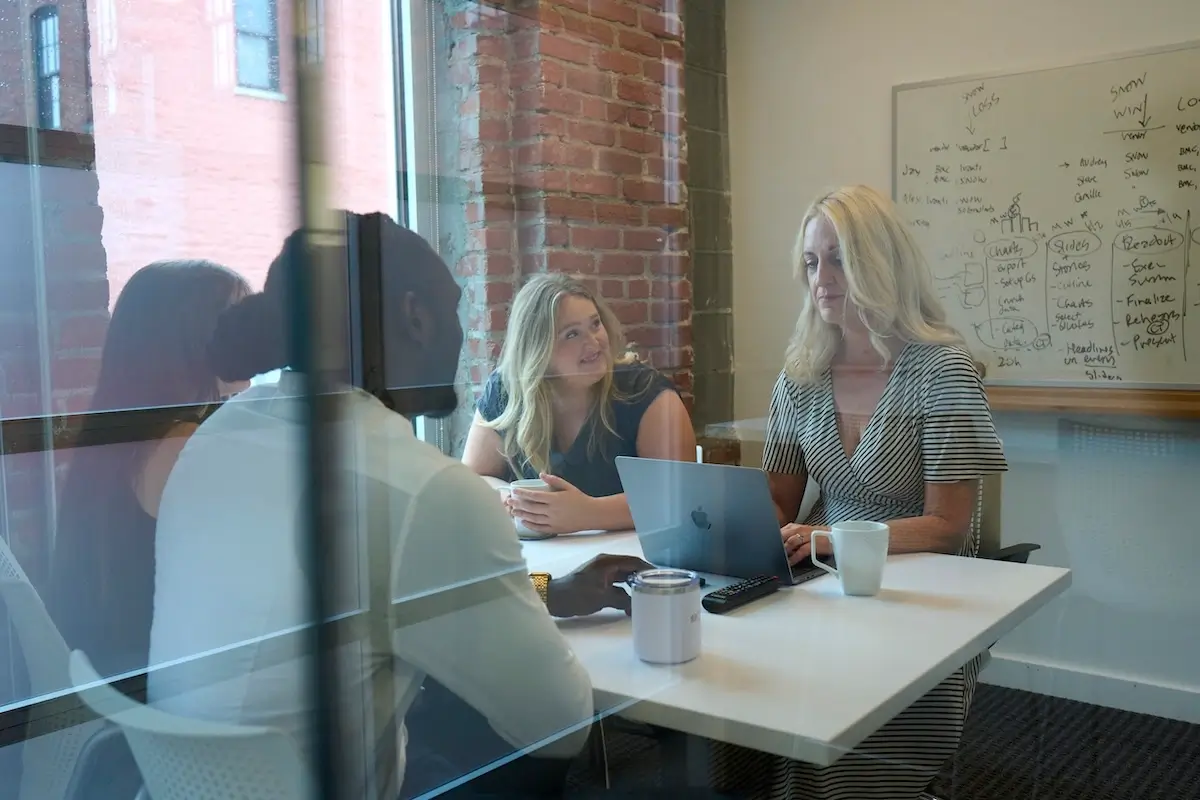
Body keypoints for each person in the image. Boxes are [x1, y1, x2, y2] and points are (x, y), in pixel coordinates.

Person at [146, 213, 652, 800]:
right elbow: (559, 726)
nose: (463, 334)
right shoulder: (415, 487)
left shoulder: (221, 436)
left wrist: (544, 591)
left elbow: (366, 597)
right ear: (416, 317)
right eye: (456, 308)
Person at [710, 185, 1008, 800]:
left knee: (834, 762)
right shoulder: (802, 376)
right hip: (820, 585)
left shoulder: (941, 370)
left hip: (920, 591)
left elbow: (946, 526)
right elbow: (778, 501)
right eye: (813, 262)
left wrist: (826, 538)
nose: (822, 277)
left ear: (881, 263)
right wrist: (748, 529)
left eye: (840, 258)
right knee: (730, 699)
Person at [50, 260, 251, 679]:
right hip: (161, 682)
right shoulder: (183, 443)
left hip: (107, 666)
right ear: (187, 342)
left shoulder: (121, 427)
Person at [462, 273, 696, 535]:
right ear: (538, 349)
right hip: (541, 564)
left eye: (595, 324)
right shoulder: (506, 390)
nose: (594, 342)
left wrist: (588, 513)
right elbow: (472, 481)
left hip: (631, 564)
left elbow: (680, 499)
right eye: (572, 334)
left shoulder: (647, 393)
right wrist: (506, 498)